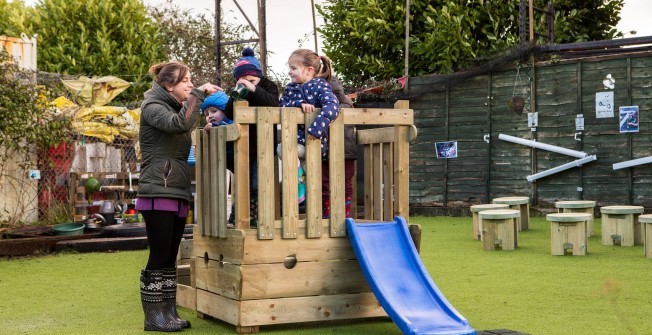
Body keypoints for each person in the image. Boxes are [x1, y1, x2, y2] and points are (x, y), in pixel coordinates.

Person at [136, 60, 220, 332]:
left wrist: (206, 123)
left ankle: (168, 313)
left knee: (171, 256)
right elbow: (179, 124)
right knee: (159, 256)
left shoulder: (173, 106)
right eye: (186, 81)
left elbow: (184, 124)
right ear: (169, 85)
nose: (191, 84)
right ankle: (152, 317)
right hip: (157, 190)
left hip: (176, 190)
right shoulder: (152, 106)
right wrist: (198, 96)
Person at [212, 47, 279, 227]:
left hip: (263, 145)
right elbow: (228, 112)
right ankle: (238, 215)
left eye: (251, 79)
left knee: (257, 184)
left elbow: (273, 103)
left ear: (259, 77)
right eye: (243, 80)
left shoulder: (268, 86)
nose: (247, 82)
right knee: (243, 184)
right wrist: (236, 94)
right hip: (244, 145)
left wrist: (253, 89)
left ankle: (255, 216)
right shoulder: (239, 89)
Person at [279, 48, 340, 212]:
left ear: (309, 70)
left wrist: (316, 129)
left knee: (309, 176)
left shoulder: (320, 86)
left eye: (293, 68)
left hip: (313, 143)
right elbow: (281, 107)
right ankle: (299, 187)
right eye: (289, 68)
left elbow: (333, 107)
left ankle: (304, 195)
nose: (289, 72)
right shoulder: (291, 89)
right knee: (282, 149)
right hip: (294, 141)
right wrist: (298, 105)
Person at [323, 76, 357, 219]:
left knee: (328, 182)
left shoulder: (337, 106)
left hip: (339, 150)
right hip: (344, 150)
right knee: (340, 183)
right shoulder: (347, 104)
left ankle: (333, 214)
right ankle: (339, 214)